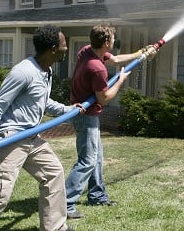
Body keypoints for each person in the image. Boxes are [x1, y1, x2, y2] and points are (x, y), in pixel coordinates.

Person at [0, 25, 84, 231]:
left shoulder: (45, 71)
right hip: (9, 138)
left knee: (53, 173)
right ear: (54, 48)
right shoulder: (23, 72)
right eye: (64, 45)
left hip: (31, 137)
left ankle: (54, 227)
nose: (67, 48)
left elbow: (42, 101)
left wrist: (67, 109)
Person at [65, 23, 156, 219]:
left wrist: (139, 54)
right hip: (85, 116)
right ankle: (64, 203)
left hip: (86, 113)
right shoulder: (97, 68)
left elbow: (114, 59)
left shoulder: (87, 51)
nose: (115, 41)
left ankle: (97, 195)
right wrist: (121, 80)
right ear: (106, 42)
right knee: (87, 161)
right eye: (113, 39)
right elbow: (103, 99)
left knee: (95, 158)